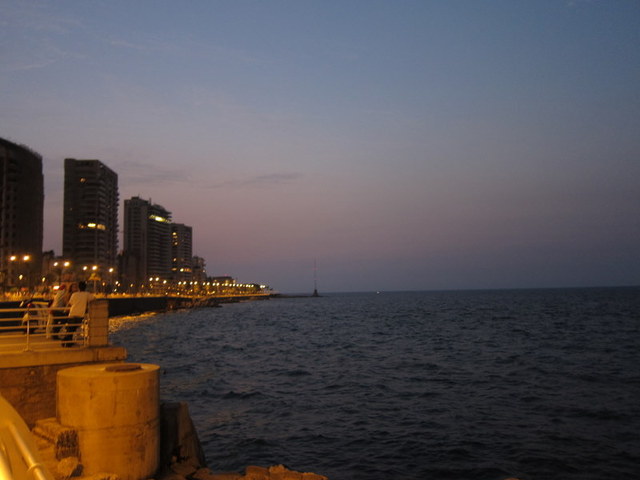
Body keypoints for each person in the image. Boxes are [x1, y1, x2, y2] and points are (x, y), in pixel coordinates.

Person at [62, 281, 95, 347]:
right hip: (80, 315)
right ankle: (66, 342)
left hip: (72, 313)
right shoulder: (87, 294)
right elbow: (94, 299)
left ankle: (66, 342)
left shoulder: (74, 294)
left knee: (70, 329)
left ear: (79, 287)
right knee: (73, 329)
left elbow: (70, 303)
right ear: (85, 287)